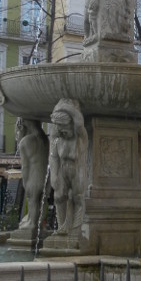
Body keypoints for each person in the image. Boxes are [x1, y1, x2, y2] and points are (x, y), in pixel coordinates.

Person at [49, 99, 88, 236]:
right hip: (63, 169)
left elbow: (79, 122)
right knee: (58, 196)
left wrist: (64, 108)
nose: (62, 131)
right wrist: (53, 175)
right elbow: (53, 157)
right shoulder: (58, 140)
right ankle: (62, 227)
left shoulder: (80, 137)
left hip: (77, 170)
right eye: (60, 129)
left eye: (64, 128)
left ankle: (76, 229)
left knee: (78, 197)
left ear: (71, 124)